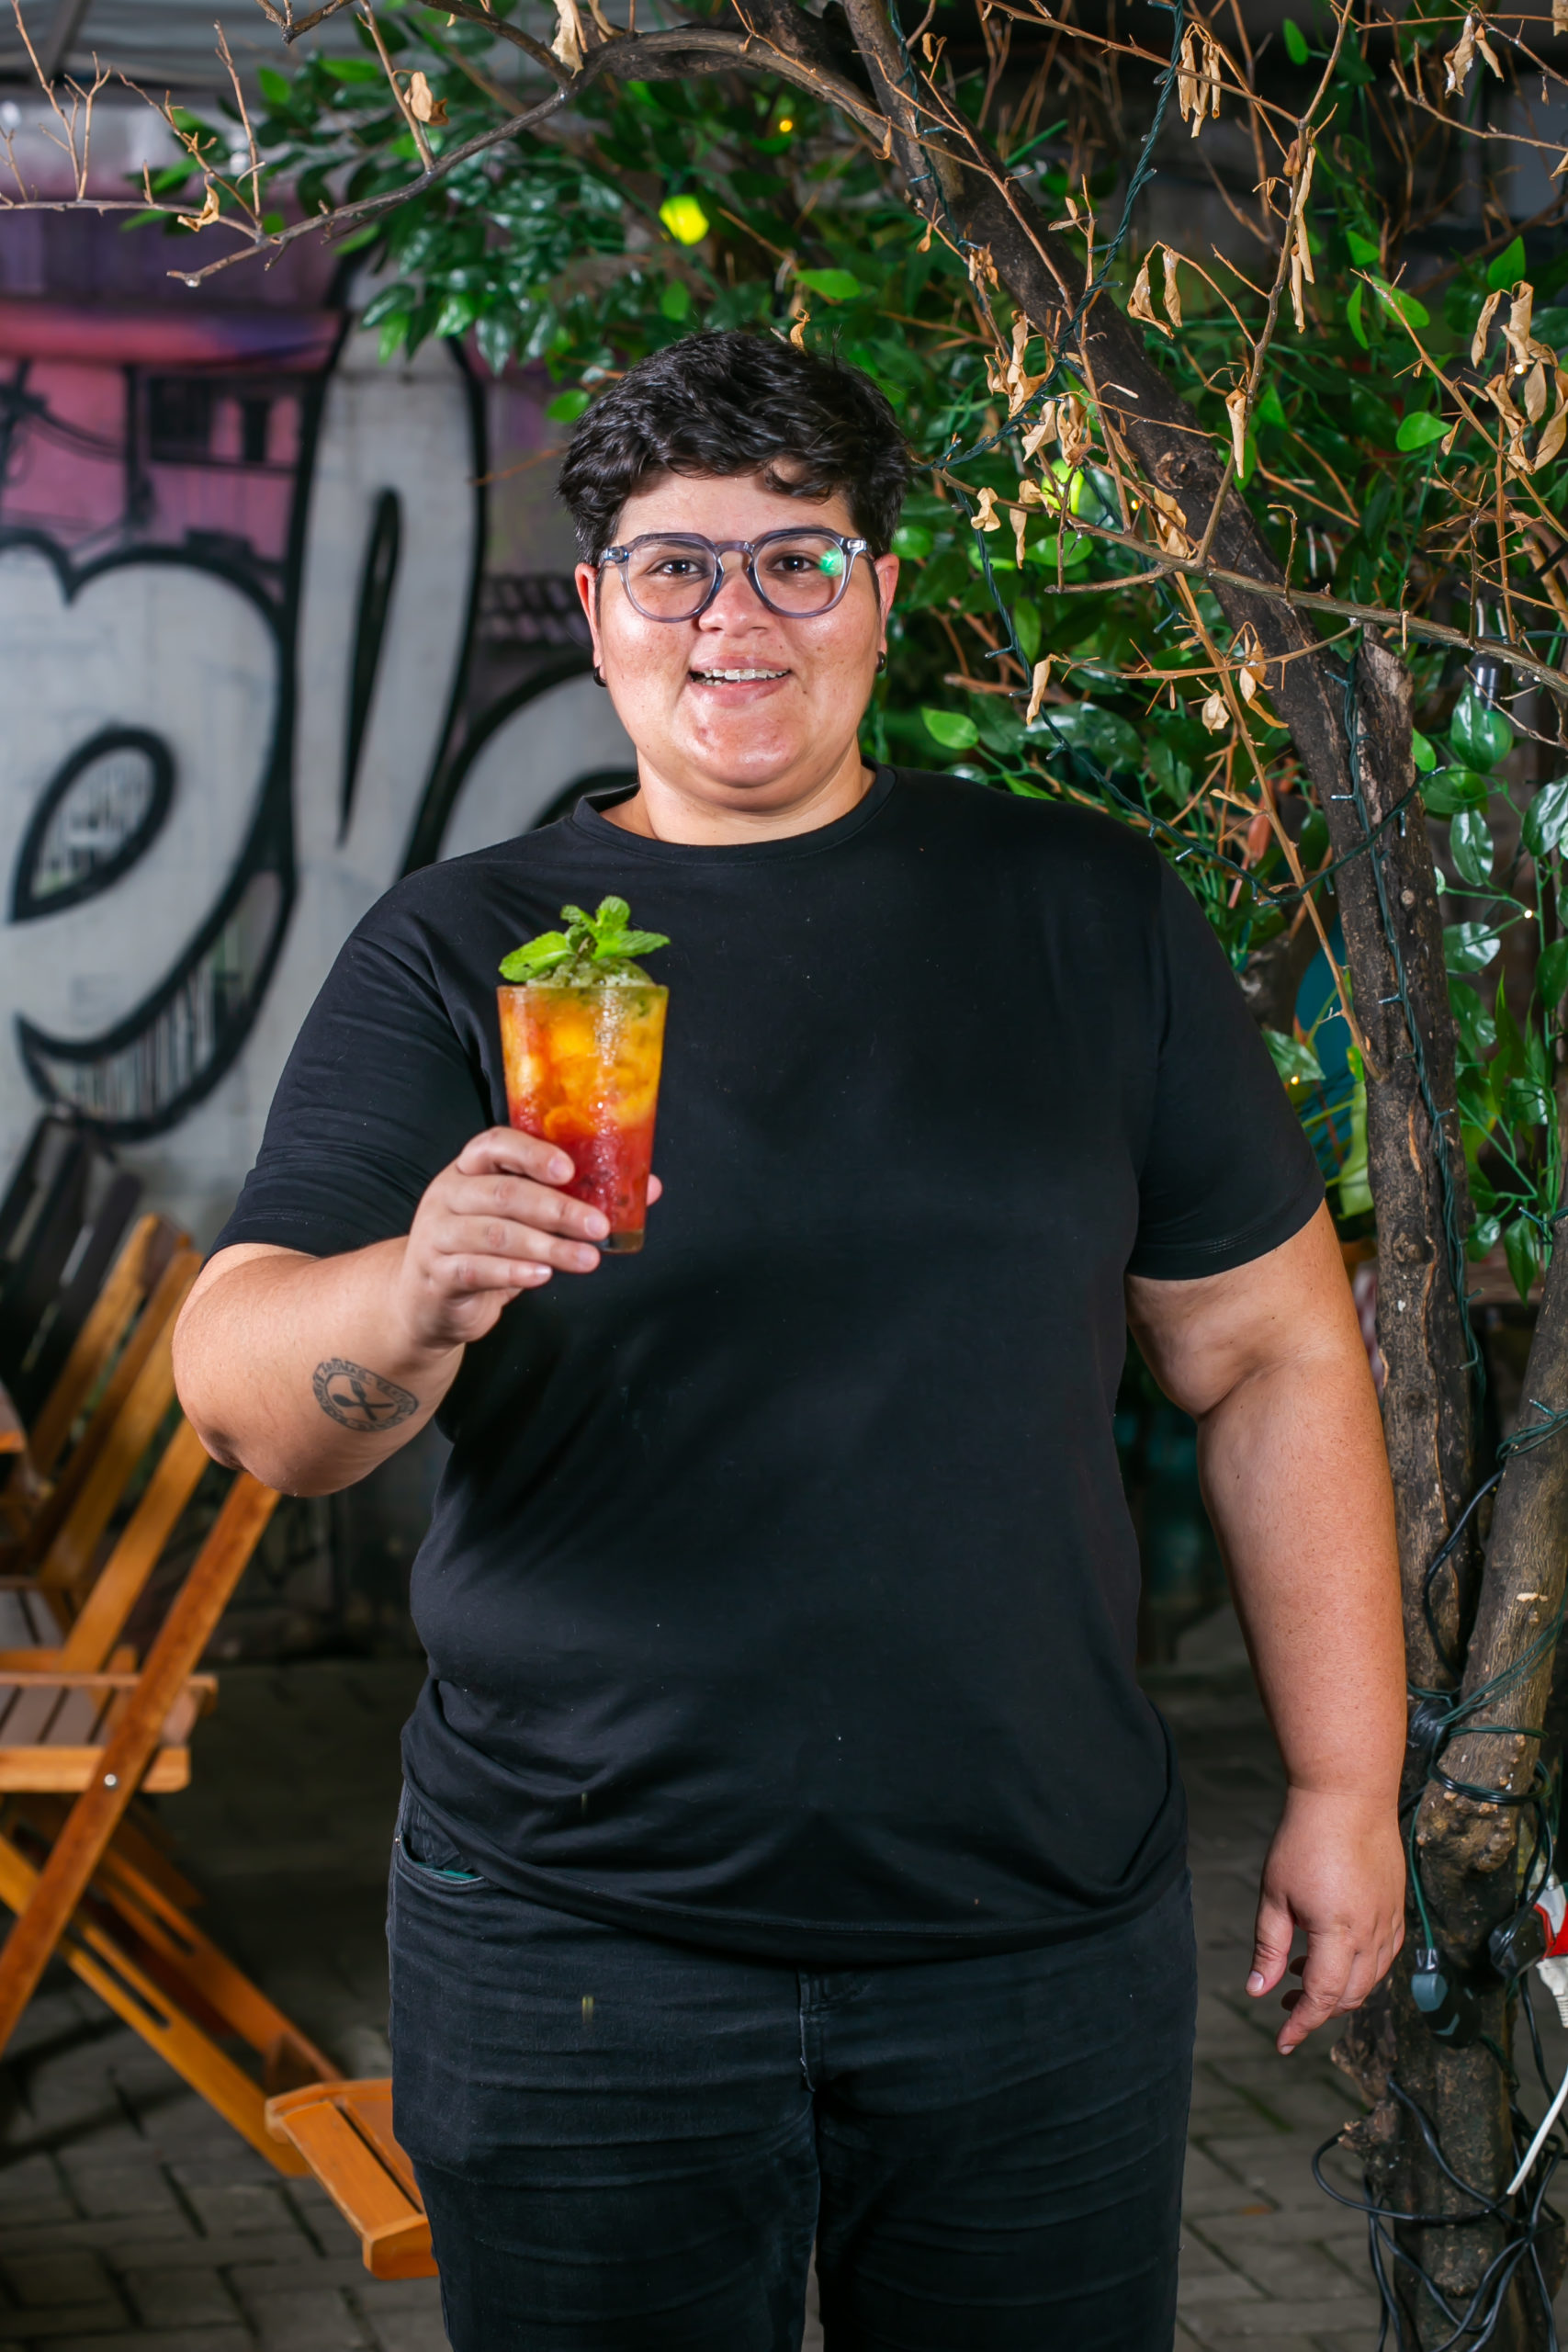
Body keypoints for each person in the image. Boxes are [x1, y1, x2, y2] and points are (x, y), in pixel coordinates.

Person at [173, 329, 1405, 2352]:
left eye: (794, 561)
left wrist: (1344, 1780)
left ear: (878, 594)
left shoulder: (1077, 913)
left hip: (1030, 1937)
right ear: (596, 612)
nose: (729, 619)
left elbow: (1268, 1350)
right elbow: (250, 1404)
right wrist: (412, 1285)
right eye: (673, 566)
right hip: (577, 1940)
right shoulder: (467, 951)